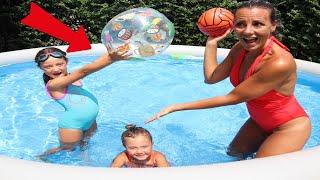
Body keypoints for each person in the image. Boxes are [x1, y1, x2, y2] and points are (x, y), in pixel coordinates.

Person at [146, 0, 311, 159]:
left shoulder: (279, 62)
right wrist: (211, 44)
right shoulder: (240, 48)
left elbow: (232, 98)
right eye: (240, 24)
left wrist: (176, 107)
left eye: (258, 24)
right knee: (234, 154)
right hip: (259, 121)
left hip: (289, 127)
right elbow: (211, 78)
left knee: (259, 169)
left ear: (272, 26)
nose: (247, 31)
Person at [35, 46, 130, 157]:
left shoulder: (71, 77)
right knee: (66, 150)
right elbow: (84, 71)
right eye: (48, 66)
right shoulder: (54, 84)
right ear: (41, 68)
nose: (55, 69)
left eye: (59, 64)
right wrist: (111, 59)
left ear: (66, 61)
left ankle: (85, 159)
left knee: (85, 143)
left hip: (90, 122)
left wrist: (112, 52)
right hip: (72, 125)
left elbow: (91, 64)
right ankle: (41, 158)